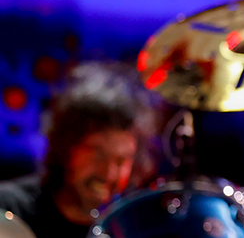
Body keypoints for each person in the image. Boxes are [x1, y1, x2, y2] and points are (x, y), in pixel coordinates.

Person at [0, 62, 159, 238]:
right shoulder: (9, 208)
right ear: (66, 146)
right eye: (98, 154)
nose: (109, 173)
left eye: (122, 160)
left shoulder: (127, 230)